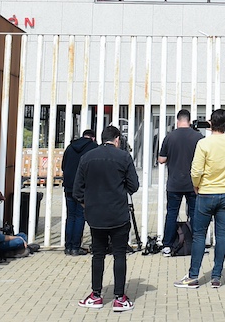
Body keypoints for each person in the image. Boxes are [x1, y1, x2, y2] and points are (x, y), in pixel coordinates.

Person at [73, 125, 140, 312]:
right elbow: (134, 186)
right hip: (118, 214)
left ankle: (95, 295)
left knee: (98, 254)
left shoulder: (87, 157)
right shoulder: (124, 157)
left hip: (96, 216)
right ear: (117, 139)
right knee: (119, 254)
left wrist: (89, 204)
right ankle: (120, 297)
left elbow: (78, 190)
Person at [175, 109, 225, 289]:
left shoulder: (203, 143)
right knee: (221, 235)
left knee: (199, 235)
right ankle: (217, 276)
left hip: (206, 192)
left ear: (210, 123)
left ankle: (193, 275)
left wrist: (196, 186)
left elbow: (196, 171)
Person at [158, 109, 202, 257]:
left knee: (171, 214)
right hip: (193, 183)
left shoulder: (169, 137)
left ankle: (167, 246)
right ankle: (197, 245)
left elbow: (161, 159)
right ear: (189, 121)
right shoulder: (198, 137)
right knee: (195, 213)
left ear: (178, 121)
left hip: (174, 183)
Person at [61, 129, 98, 255]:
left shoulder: (70, 147)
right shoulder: (93, 148)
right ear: (93, 138)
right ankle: (76, 247)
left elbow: (63, 166)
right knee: (80, 216)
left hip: (68, 186)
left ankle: (68, 247)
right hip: (83, 188)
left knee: (70, 217)